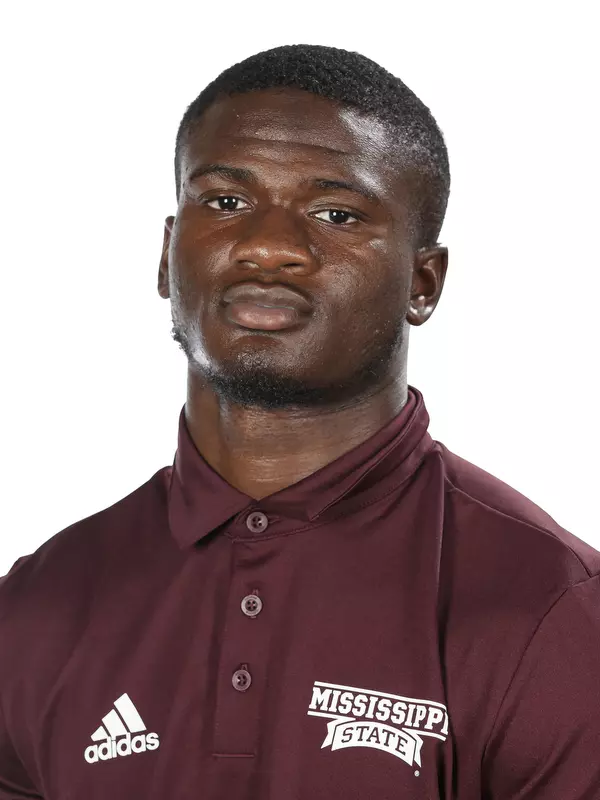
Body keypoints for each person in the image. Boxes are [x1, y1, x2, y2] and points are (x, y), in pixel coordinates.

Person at [1, 43, 599, 800]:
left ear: (424, 282)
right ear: (165, 255)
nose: (268, 247)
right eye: (224, 202)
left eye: (336, 213)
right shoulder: (36, 610)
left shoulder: (551, 610)